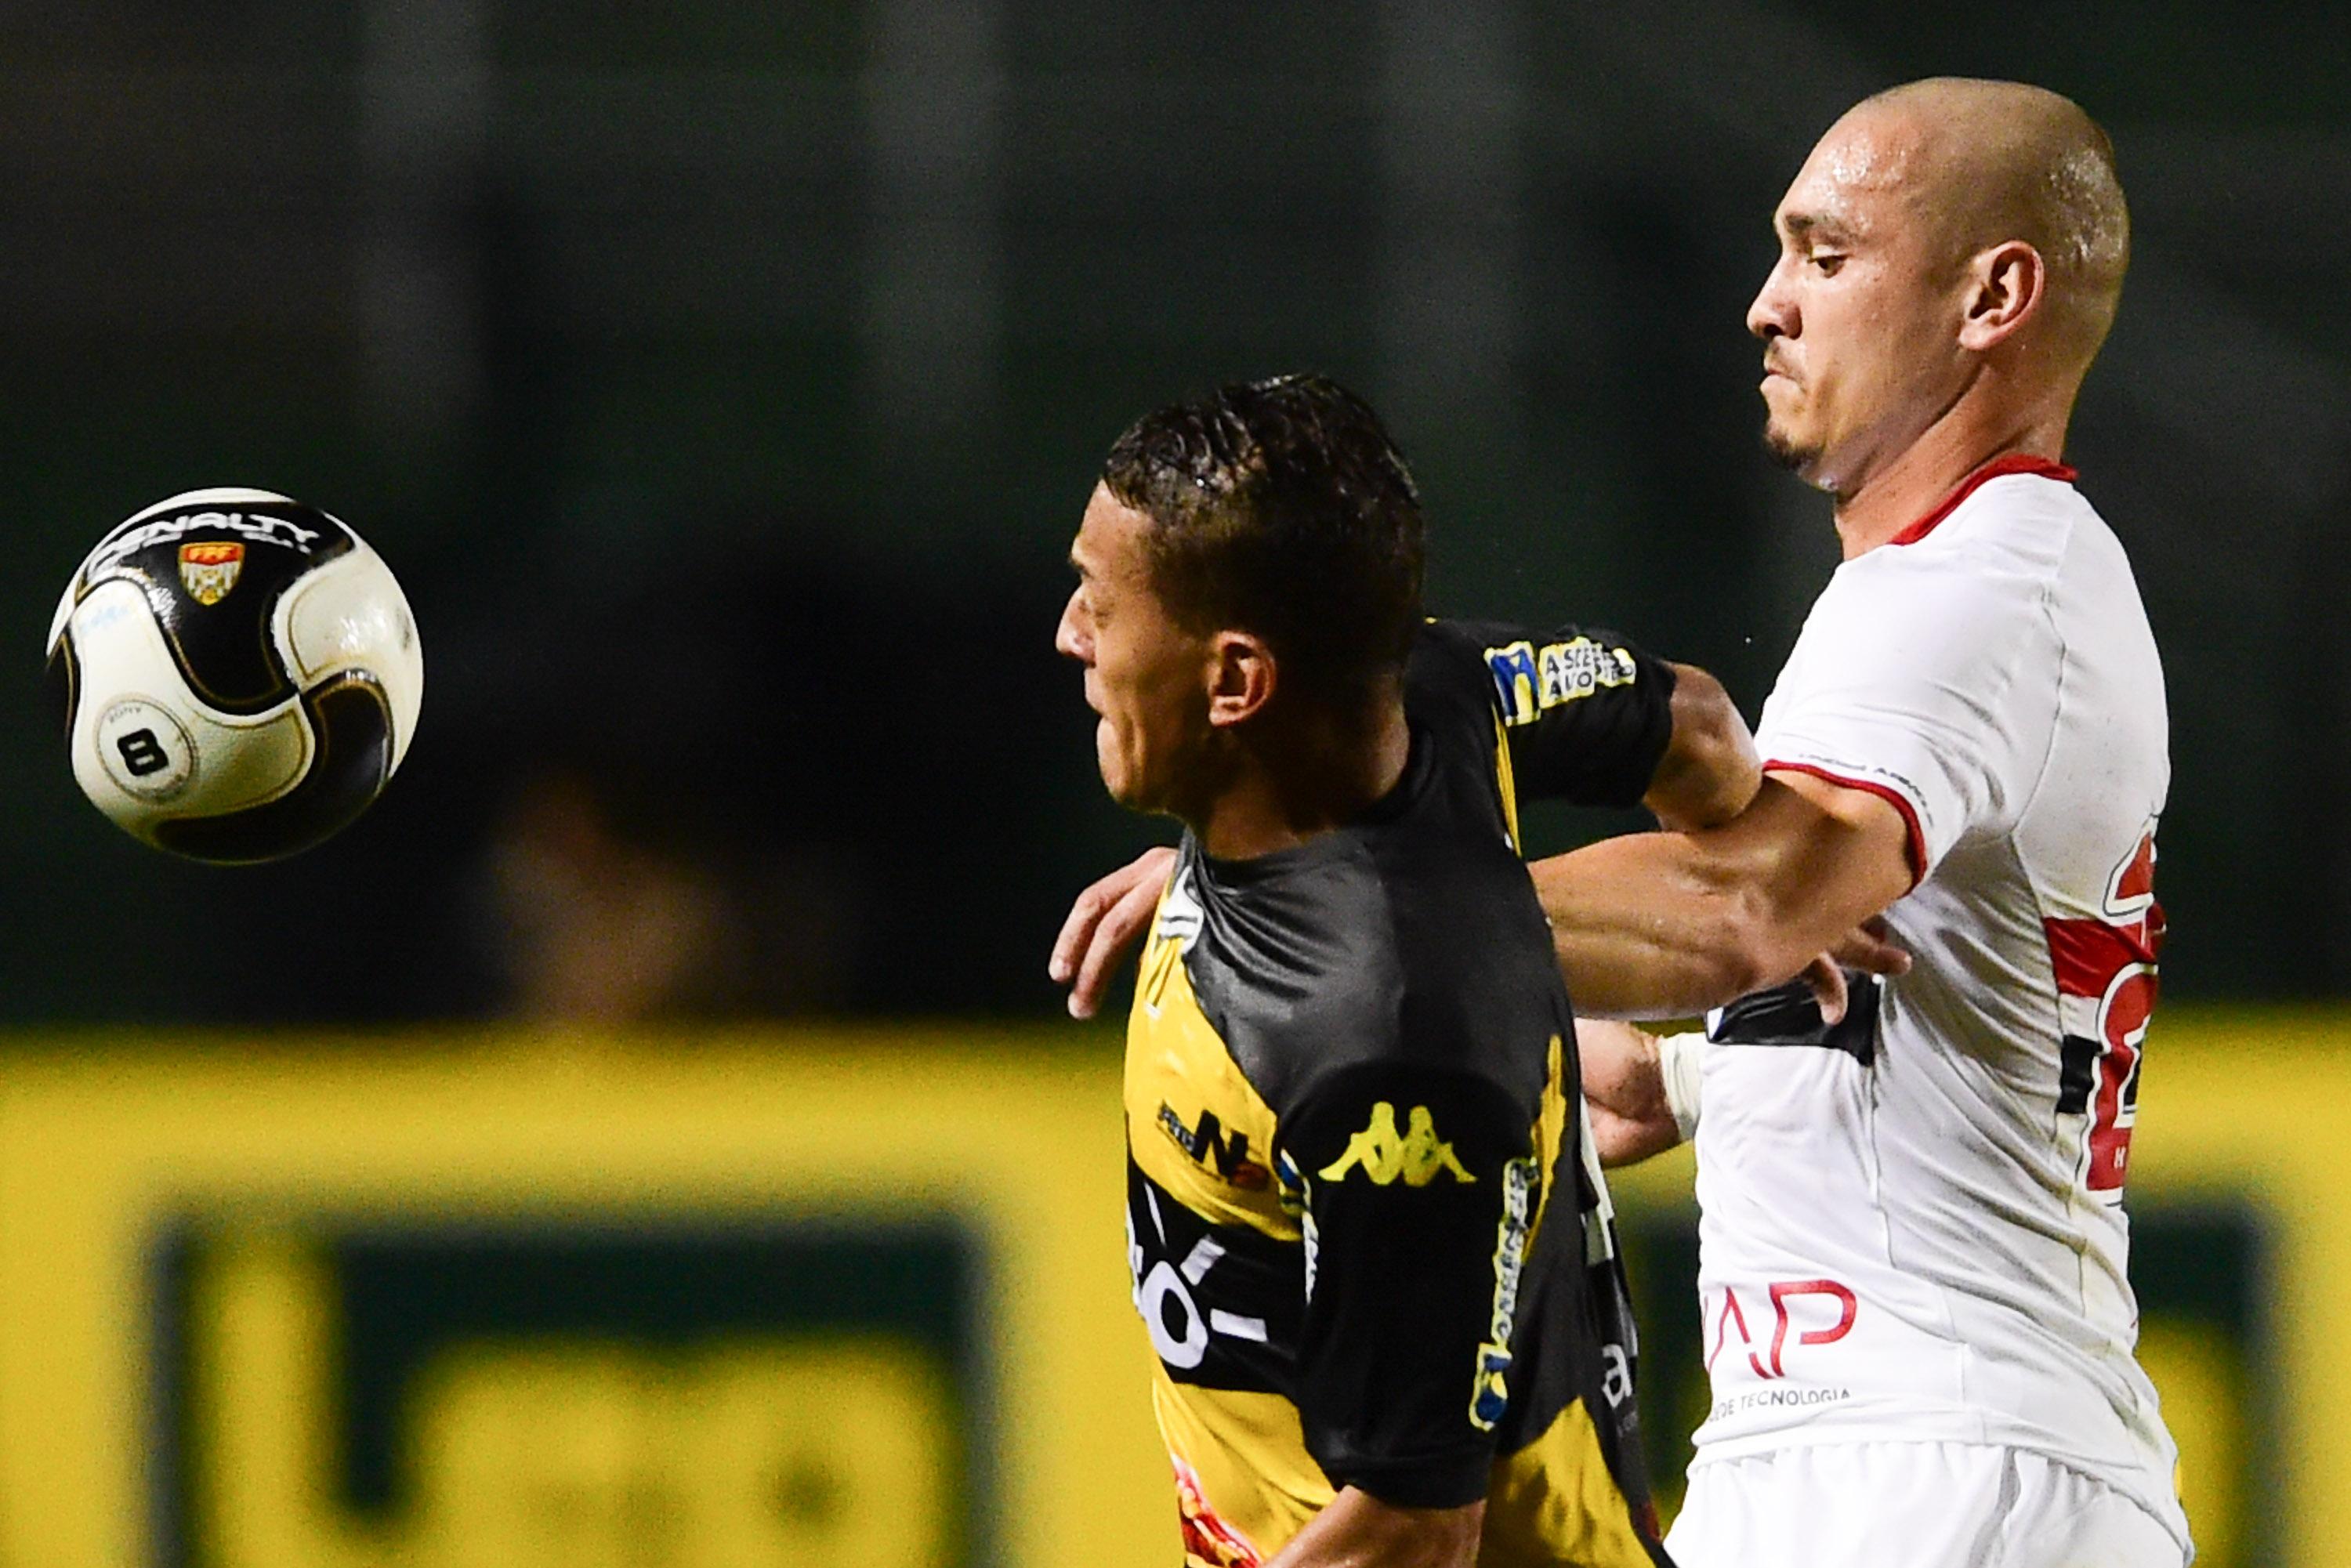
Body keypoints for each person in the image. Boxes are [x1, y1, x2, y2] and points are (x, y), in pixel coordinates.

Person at [1058, 79, 2187, 1568]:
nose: (1767, 304)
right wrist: (1662, 1075)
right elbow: (1831, 1003)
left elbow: (1740, 917)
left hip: (1933, 1464)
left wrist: (1288, 902)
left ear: (1994, 298)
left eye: (1827, 255)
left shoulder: (1977, 588)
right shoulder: (1955, 598)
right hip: (1879, 1455)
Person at [1053, 373, 1763, 1567]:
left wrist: (1469, 987)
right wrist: (1783, 900)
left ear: (1235, 683)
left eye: (1099, 603)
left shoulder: (1378, 1053)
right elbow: (1697, 723)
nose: (1071, 633)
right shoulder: (1421, 696)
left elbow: (1417, 1528)